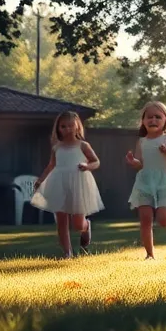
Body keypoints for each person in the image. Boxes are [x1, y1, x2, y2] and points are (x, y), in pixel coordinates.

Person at [32, 111, 104, 259]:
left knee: (77, 223)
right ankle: (67, 253)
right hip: (59, 182)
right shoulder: (56, 148)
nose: (67, 129)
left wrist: (87, 165)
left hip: (79, 182)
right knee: (61, 220)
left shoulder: (83, 145)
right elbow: (51, 165)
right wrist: (41, 180)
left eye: (70, 125)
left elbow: (96, 161)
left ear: (77, 126)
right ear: (58, 129)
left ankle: (86, 226)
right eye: (63, 126)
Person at [126, 101, 166, 259]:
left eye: (157, 117)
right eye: (149, 117)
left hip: (165, 181)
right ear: (143, 120)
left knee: (162, 220)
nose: (153, 120)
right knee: (145, 219)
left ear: (165, 120)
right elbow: (140, 164)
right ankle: (149, 255)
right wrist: (134, 162)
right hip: (144, 182)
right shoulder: (141, 141)